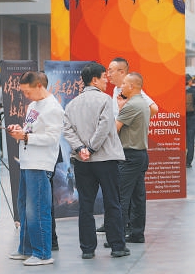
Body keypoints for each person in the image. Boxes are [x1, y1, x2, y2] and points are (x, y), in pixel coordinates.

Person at [62, 62, 129, 259]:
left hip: (82, 162)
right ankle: (117, 246)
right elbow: (105, 126)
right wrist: (91, 148)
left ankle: (87, 249)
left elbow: (67, 130)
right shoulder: (105, 100)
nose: (106, 81)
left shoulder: (72, 104)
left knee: (85, 205)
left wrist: (80, 149)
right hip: (105, 159)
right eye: (104, 77)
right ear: (94, 80)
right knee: (112, 202)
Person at [6, 71, 63, 266]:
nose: (26, 95)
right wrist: (20, 131)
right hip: (27, 161)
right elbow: (31, 130)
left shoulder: (53, 108)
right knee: (24, 207)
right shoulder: (33, 105)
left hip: (40, 163)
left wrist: (26, 137)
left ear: (39, 85)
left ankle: (43, 253)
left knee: (37, 209)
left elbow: (52, 138)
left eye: (27, 91)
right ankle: (26, 248)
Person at [115, 72, 150, 244]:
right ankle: (137, 233)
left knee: (121, 196)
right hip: (140, 155)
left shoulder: (132, 106)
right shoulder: (142, 103)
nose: (121, 87)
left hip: (129, 156)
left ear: (132, 86)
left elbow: (114, 129)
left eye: (124, 84)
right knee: (138, 197)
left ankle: (117, 236)